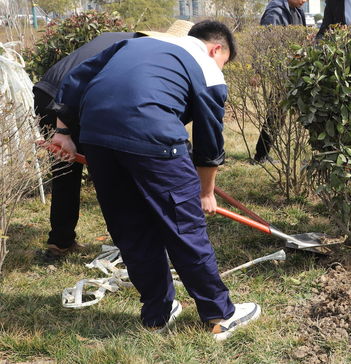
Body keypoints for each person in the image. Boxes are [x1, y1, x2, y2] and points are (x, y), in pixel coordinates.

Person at [51, 21, 261, 339]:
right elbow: (209, 142)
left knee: (130, 228)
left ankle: (156, 314)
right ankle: (221, 314)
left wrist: (63, 132)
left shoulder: (133, 44)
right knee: (184, 228)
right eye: (224, 63)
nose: (222, 71)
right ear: (216, 49)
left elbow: (75, 80)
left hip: (96, 137)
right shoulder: (207, 66)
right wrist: (205, 193)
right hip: (155, 138)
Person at [32, 20, 194, 260]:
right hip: (67, 102)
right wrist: (63, 130)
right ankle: (131, 245)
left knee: (66, 171)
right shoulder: (140, 53)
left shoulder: (124, 38)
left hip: (47, 93)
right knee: (111, 172)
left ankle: (60, 242)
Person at [253, 0, 313, 164]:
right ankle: (261, 155)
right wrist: (258, 71)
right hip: (281, 70)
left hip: (294, 68)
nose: (304, 0)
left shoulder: (297, 10)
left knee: (280, 113)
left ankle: (264, 153)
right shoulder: (275, 12)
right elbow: (264, 43)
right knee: (277, 113)